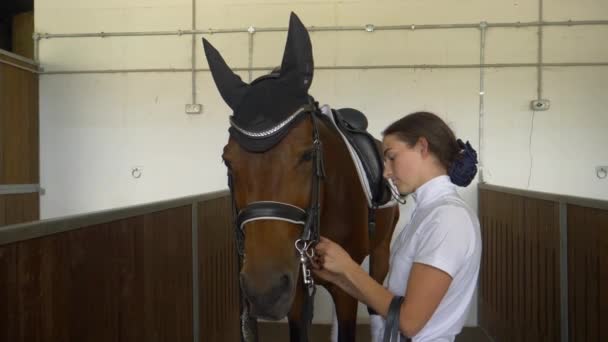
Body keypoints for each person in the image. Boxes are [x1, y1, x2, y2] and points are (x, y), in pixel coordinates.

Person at [312, 111, 481, 342]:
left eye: (392, 157)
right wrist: (337, 276)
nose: (386, 172)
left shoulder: (448, 219)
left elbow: (409, 322)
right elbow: (394, 300)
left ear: (422, 147)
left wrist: (348, 267)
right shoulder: (429, 213)